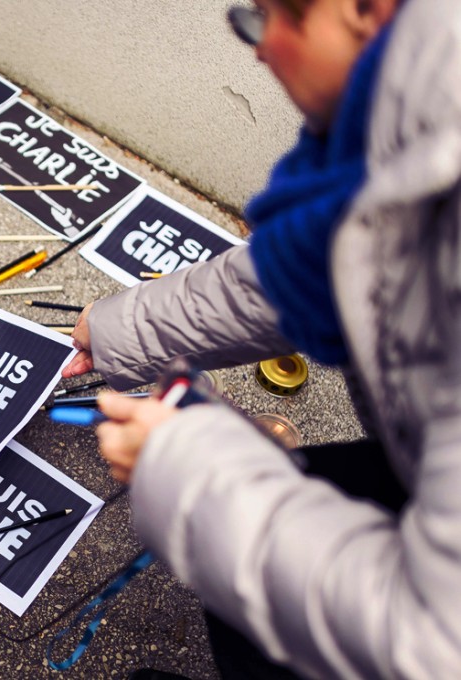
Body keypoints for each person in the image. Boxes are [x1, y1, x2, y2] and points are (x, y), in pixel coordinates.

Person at [63, 0, 461, 677]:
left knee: (260, 541)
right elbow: (319, 265)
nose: (256, 49)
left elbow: (431, 642)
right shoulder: (404, 144)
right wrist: (124, 330)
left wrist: (186, 466)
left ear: (362, 9)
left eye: (267, 18)